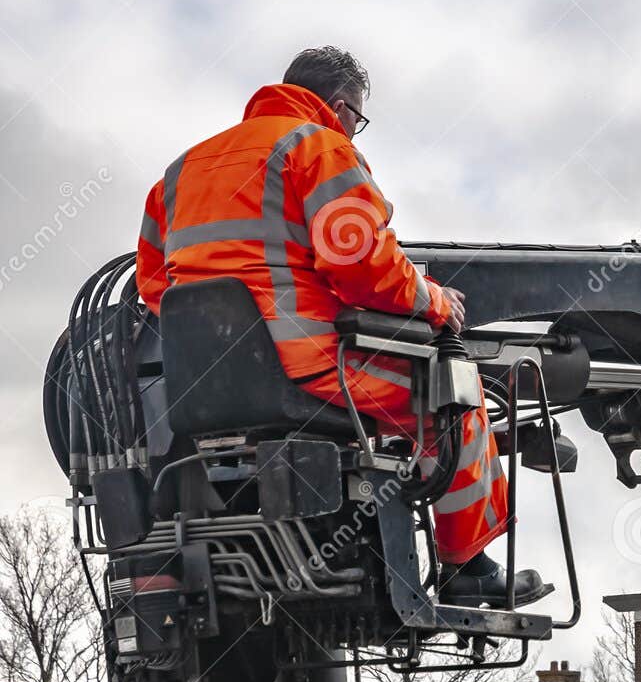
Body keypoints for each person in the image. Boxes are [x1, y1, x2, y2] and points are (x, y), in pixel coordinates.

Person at [135, 46, 537, 600]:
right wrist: (435, 301)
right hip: (308, 370)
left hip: (204, 388)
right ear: (342, 108)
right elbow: (361, 265)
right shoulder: (317, 147)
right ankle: (468, 571)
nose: (355, 133)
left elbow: (155, 288)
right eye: (359, 121)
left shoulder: (180, 171)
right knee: (454, 399)